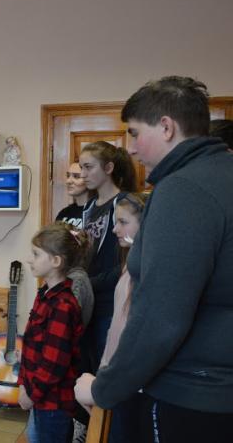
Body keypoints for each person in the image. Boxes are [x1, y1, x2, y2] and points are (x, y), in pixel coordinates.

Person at [75, 76, 233, 443]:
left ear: (166, 127)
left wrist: (103, 388)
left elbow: (161, 317)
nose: (130, 149)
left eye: (134, 133)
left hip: (192, 396)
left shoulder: (183, 188)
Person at [83, 192, 147, 443]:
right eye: (115, 222)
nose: (114, 230)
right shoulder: (130, 262)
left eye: (123, 222)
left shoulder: (145, 269)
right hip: (114, 374)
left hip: (126, 379)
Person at [18, 223, 89, 443]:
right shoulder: (44, 293)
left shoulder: (62, 306)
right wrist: (23, 384)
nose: (30, 259)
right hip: (39, 397)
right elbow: (33, 345)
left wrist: (31, 394)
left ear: (56, 261)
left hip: (53, 404)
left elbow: (54, 363)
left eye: (36, 254)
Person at [78, 141, 137, 373]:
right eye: (81, 167)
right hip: (89, 301)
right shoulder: (90, 206)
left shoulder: (123, 203)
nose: (83, 174)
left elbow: (127, 262)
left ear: (109, 168)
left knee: (107, 369)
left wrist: (89, 282)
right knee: (86, 368)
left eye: (89, 167)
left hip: (111, 302)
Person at [55, 162, 90, 228]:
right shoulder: (64, 213)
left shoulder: (97, 211)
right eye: (68, 176)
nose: (68, 181)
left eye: (76, 176)